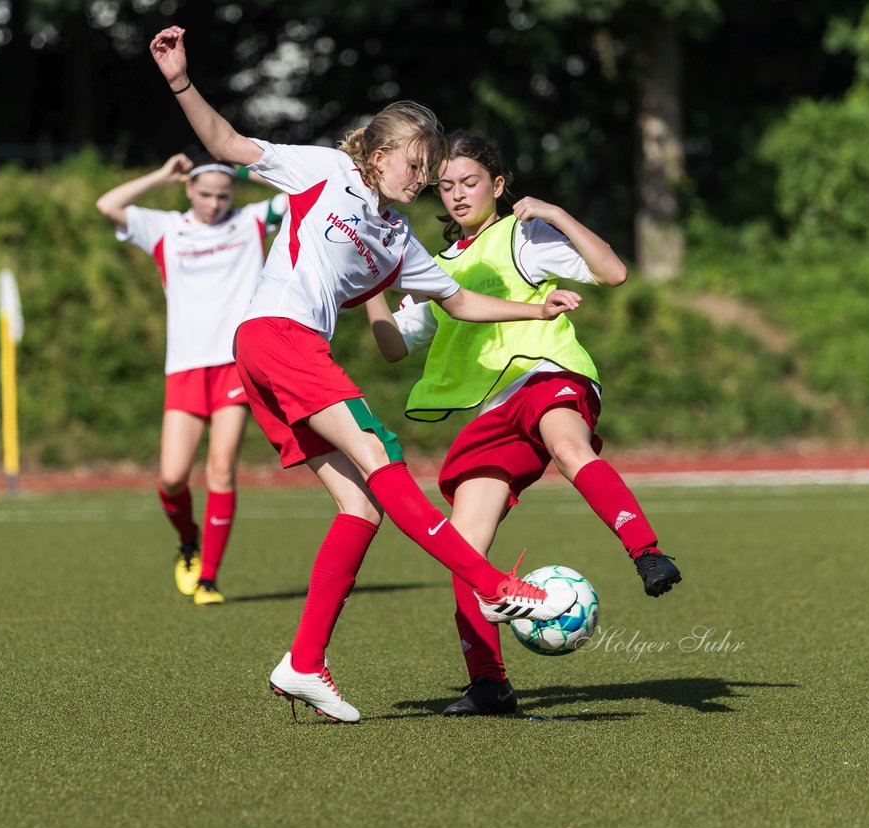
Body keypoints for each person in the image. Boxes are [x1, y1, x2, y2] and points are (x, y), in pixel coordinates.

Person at [150, 26, 581, 724]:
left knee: (361, 507)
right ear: (377, 157)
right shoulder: (325, 169)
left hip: (279, 356)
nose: (425, 178)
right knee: (379, 453)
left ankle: (304, 664)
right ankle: (499, 586)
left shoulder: (399, 237)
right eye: (415, 164)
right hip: (275, 336)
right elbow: (228, 144)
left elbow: (461, 301)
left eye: (431, 166)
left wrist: (533, 305)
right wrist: (179, 79)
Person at [364, 131, 683, 716]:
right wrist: (371, 285)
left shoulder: (524, 235)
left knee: (567, 447)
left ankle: (646, 552)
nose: (458, 195)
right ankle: (489, 685)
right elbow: (389, 348)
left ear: (499, 185)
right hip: (494, 411)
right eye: (447, 185)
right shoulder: (437, 268)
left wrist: (556, 212)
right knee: (464, 550)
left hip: (548, 376)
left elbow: (612, 273)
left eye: (470, 182)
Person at [96, 151, 287, 606]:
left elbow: (302, 194)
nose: (214, 203)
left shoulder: (251, 221)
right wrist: (161, 174)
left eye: (223, 195)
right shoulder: (167, 228)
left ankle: (209, 579)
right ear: (189, 190)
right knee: (172, 477)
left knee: (220, 469)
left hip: (235, 362)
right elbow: (108, 204)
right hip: (184, 366)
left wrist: (243, 171)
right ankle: (188, 542)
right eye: (205, 194)